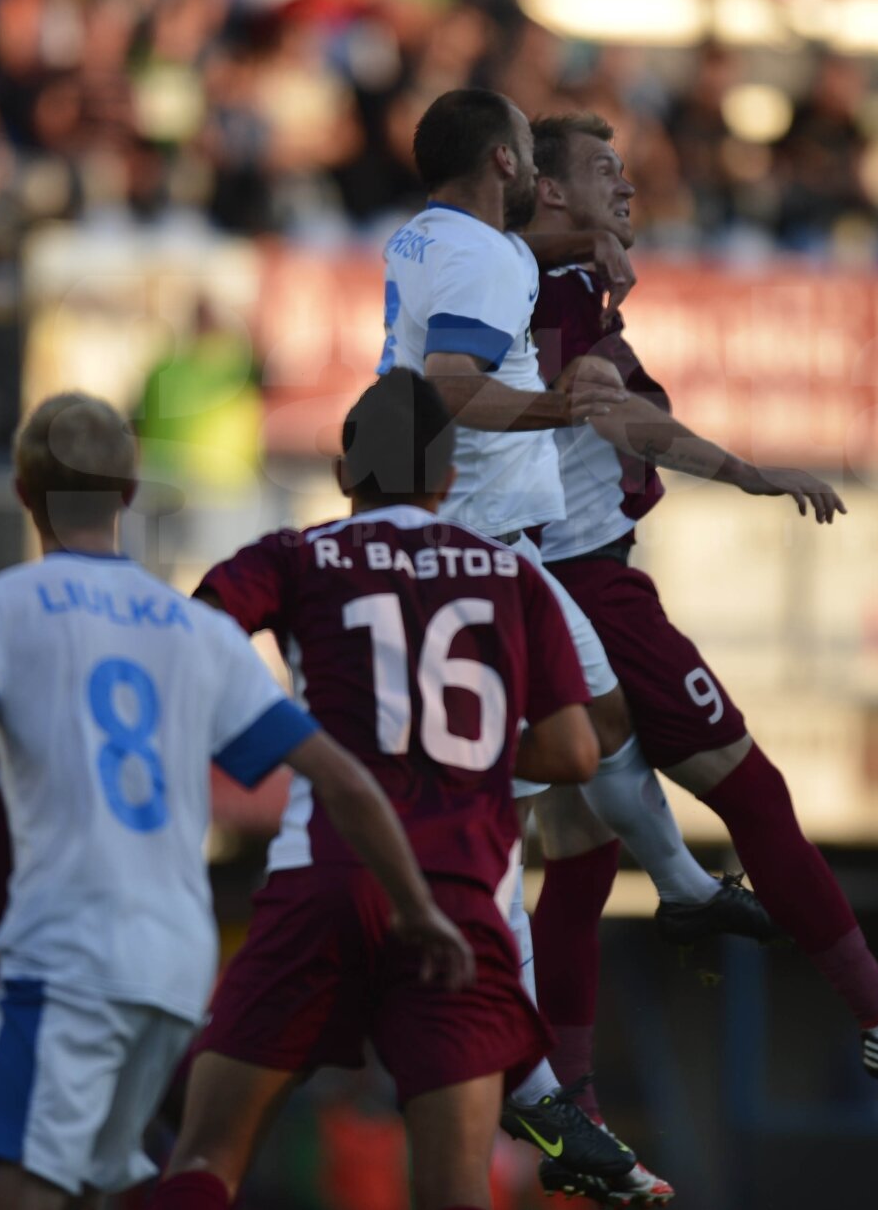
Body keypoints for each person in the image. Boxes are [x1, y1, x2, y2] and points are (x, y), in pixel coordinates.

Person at [523, 112, 878, 1172]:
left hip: (543, 581)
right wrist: (753, 472)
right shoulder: (548, 289)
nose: (628, 187)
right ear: (549, 192)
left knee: (575, 859)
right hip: (591, 586)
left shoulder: (545, 280)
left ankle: (573, 1108)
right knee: (750, 792)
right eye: (605, 173)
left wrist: (600, 277)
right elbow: (621, 421)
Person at [0, 391, 472, 1210]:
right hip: (175, 970)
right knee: (117, 1182)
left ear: (21, 494)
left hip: (64, 954)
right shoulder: (196, 632)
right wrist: (416, 906)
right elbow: (344, 776)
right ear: (132, 494)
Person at [377, 86, 772, 1200]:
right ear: (507, 157)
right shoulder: (491, 261)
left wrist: (599, 244)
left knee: (593, 728)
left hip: (497, 548)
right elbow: (454, 387)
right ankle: (541, 1088)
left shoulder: (436, 235)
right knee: (495, 819)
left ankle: (683, 883)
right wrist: (564, 404)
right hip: (474, 549)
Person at [150, 369, 606, 1210]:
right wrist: (461, 757)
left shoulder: (297, 554)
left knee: (205, 1158)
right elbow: (578, 750)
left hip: (324, 879)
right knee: (456, 1192)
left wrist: (278, 738)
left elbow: (194, 637)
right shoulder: (515, 579)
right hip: (460, 902)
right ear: (448, 478)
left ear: (343, 472)